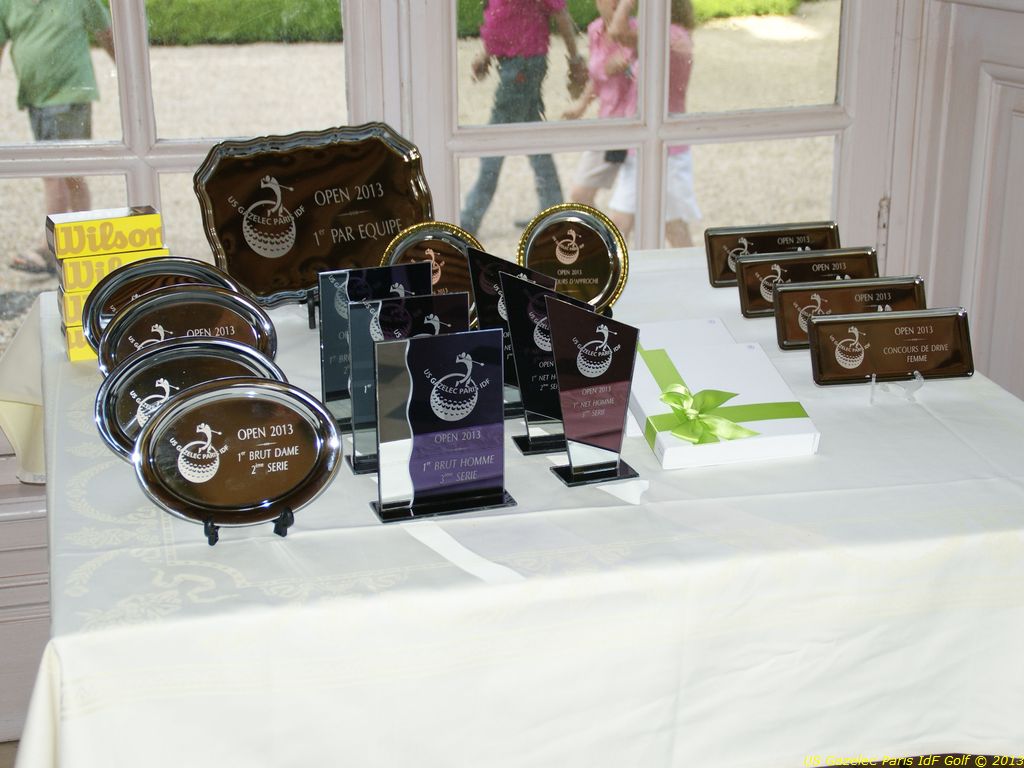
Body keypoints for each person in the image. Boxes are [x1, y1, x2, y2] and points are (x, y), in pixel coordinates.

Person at [0, 0, 115, 274]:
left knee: (56, 172)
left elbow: (106, 32)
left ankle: (51, 248)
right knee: (70, 172)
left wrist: (131, 73)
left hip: (70, 94)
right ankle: (81, 239)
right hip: (36, 98)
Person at [459, 0, 585, 236]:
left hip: (522, 66)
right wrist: (487, 54)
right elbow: (504, 14)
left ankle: (469, 219)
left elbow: (561, 13)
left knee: (494, 140)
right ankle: (552, 210)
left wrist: (575, 60)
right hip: (518, 63)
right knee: (534, 139)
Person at [606, 0, 700, 247]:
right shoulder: (662, 37)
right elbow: (613, 56)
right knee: (620, 222)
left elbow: (616, 31)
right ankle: (610, 269)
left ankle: (691, 268)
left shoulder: (671, 36)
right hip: (642, 147)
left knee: (673, 228)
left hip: (667, 152)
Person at [561, 0, 638, 208]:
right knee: (580, 195)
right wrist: (581, 105)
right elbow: (597, 75)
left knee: (632, 206)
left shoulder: (637, 31)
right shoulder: (595, 29)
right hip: (608, 122)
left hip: (631, 126)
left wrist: (623, 66)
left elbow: (629, 69)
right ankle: (602, 230)